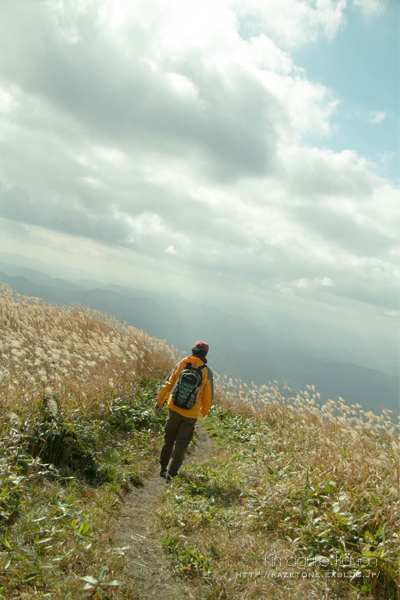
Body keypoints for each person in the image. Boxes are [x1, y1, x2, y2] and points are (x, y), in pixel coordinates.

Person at [154, 341, 213, 481]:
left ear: (193, 351)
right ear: (205, 354)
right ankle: (172, 473)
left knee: (169, 438)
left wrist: (160, 400)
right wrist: (204, 411)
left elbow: (169, 381)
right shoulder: (206, 371)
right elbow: (208, 394)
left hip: (174, 408)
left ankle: (162, 466)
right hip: (190, 414)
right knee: (181, 443)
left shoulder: (183, 363)